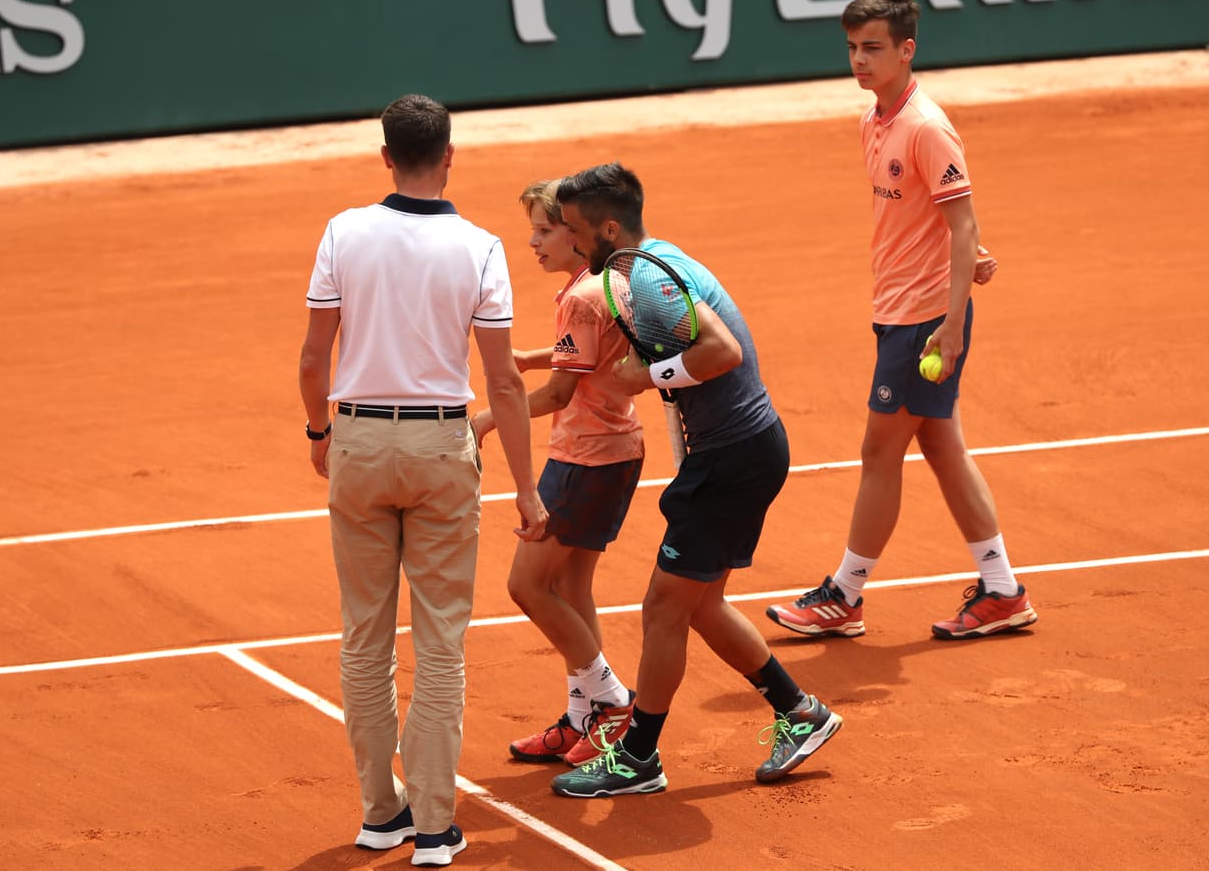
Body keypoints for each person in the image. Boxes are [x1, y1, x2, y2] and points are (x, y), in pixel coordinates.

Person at [298, 93, 547, 865]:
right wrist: (527, 486)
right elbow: (504, 384)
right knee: (442, 642)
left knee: (363, 638)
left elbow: (314, 360)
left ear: (385, 157)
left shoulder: (343, 231)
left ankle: (381, 814)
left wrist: (321, 433)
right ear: (449, 156)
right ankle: (435, 826)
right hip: (444, 450)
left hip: (360, 442)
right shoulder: (480, 247)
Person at [547, 162, 842, 798]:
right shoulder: (649, 259)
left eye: (574, 231)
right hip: (741, 450)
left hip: (733, 458)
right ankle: (801, 713)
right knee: (701, 605)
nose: (570, 242)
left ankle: (638, 758)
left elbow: (720, 353)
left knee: (663, 608)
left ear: (608, 227)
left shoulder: (640, 279)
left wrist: (645, 377)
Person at [766, 0, 1037, 641]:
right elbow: (940, 221)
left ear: (907, 49)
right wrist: (968, 253)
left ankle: (845, 594)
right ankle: (1001, 590)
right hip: (896, 309)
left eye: (874, 48)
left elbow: (962, 219)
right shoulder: (875, 122)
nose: (860, 60)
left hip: (924, 320)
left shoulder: (925, 127)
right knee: (942, 446)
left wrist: (951, 318)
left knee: (879, 448)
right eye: (854, 48)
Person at [471, 179, 643, 767]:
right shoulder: (603, 283)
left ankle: (612, 701)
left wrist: (489, 418)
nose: (533, 243)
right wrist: (530, 355)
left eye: (545, 231)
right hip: (614, 453)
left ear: (576, 233)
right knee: (570, 589)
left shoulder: (579, 297)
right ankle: (581, 718)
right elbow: (588, 349)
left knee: (528, 586)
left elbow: (561, 391)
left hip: (586, 458)